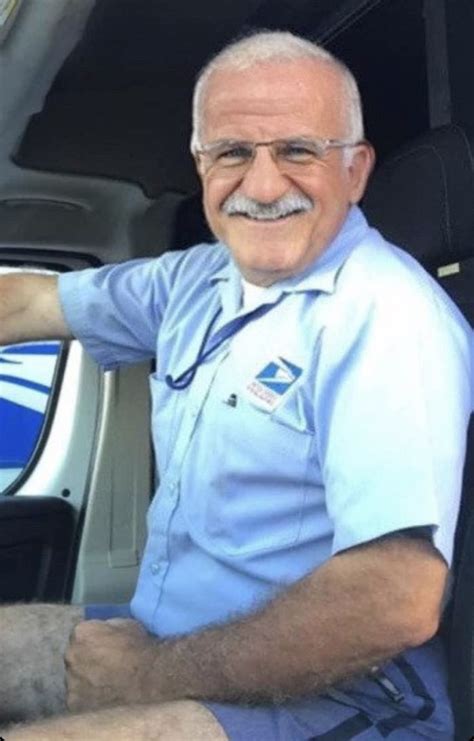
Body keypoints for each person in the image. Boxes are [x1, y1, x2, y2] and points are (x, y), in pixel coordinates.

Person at [0, 30, 472, 741]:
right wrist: (152, 657)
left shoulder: (385, 318)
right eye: (232, 153)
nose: (261, 185)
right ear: (201, 165)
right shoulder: (195, 282)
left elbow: (393, 599)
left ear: (356, 170)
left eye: (297, 151)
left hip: (345, 691)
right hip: (181, 641)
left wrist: (146, 676)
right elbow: (29, 303)